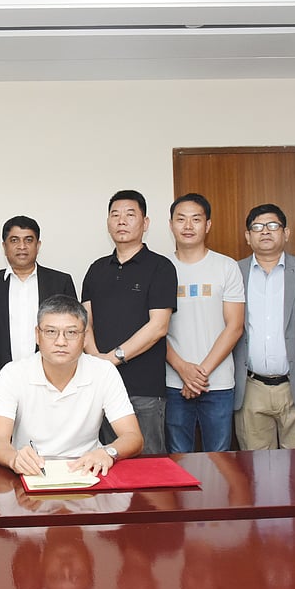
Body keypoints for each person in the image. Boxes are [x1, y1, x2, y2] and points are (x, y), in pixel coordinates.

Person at [0, 295, 142, 476]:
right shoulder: (13, 373)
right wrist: (14, 459)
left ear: (85, 337)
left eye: (71, 333)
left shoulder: (104, 371)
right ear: (37, 335)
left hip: (87, 471)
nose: (61, 342)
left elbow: (133, 436)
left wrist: (108, 452)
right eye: (51, 332)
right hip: (31, 472)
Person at [81, 190, 178, 454]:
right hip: (101, 386)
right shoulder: (96, 269)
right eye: (115, 215)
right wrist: (97, 360)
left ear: (145, 223)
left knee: (147, 465)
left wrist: (113, 358)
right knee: (104, 462)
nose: (121, 221)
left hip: (144, 388)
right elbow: (84, 323)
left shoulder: (161, 267)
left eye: (130, 214)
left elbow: (158, 326)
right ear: (108, 223)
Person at [164, 193, 245, 453]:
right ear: (171, 225)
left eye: (196, 219)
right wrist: (183, 371)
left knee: (219, 461)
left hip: (218, 383)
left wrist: (199, 375)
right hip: (173, 382)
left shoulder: (226, 266)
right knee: (178, 460)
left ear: (207, 225)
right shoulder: (160, 269)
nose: (188, 226)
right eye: (181, 219)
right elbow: (155, 329)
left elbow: (235, 326)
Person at [232, 204, 295, 449]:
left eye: (272, 225)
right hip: (250, 388)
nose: (265, 231)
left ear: (286, 233)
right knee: (256, 467)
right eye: (257, 227)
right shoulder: (234, 272)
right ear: (248, 236)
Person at [0, 216, 77, 379]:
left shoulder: (60, 282)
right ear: (4, 246)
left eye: (28, 240)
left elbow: (72, 332)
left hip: (52, 378)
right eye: (14, 240)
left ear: (38, 245)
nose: (22, 246)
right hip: (1, 379)